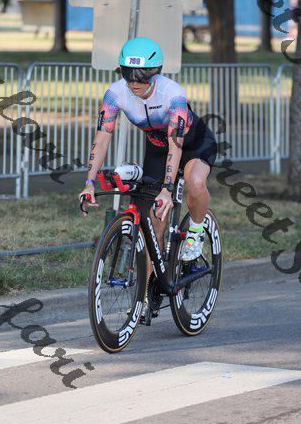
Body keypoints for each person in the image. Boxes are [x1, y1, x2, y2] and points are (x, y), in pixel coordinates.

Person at [79, 36, 217, 262]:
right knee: (154, 220)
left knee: (194, 183)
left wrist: (167, 188)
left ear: (156, 72)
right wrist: (89, 183)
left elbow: (176, 145)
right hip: (158, 148)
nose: (135, 82)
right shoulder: (115, 93)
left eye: (142, 76)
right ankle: (153, 277)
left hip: (194, 144)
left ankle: (196, 232)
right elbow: (102, 139)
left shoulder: (172, 94)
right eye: (128, 74)